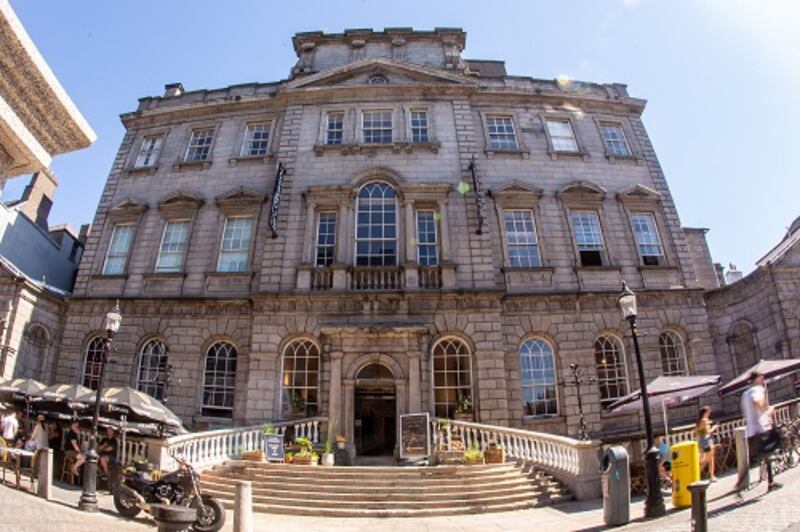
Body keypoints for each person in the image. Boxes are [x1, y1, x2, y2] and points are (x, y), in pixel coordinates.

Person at [737, 371, 781, 495]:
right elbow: (757, 402)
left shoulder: (745, 393)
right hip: (760, 429)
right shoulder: (757, 389)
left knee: (760, 457)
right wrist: (768, 411)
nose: (762, 381)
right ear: (757, 379)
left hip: (751, 431)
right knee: (774, 445)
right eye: (761, 378)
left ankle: (769, 482)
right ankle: (770, 482)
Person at [696, 406, 717, 481]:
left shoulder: (699, 421)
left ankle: (696, 475)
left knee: (704, 460)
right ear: (705, 412)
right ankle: (711, 476)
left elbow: (698, 432)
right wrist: (714, 427)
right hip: (707, 441)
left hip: (701, 441)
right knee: (710, 459)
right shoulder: (704, 420)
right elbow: (708, 432)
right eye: (708, 412)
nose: (709, 413)